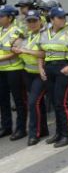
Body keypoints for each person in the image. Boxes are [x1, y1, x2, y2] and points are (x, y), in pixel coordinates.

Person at [39, 7, 68, 148]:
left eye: (64, 17)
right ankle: (58, 133)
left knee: (61, 103)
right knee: (54, 102)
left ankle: (67, 135)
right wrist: (41, 68)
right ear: (51, 20)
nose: (63, 19)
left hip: (64, 69)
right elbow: (41, 52)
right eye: (59, 17)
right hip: (49, 68)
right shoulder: (44, 33)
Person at [12, 9, 49, 145]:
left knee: (33, 102)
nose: (32, 24)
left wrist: (24, 50)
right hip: (27, 72)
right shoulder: (27, 35)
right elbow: (15, 46)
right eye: (29, 21)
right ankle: (43, 128)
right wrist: (16, 47)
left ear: (40, 21)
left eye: (35, 21)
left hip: (41, 73)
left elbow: (43, 54)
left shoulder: (44, 34)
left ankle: (34, 134)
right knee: (39, 103)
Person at [0, 5, 27, 140]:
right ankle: (6, 127)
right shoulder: (0, 30)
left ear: (10, 17)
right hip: (1, 70)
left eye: (1, 16)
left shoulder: (17, 32)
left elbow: (15, 52)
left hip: (14, 70)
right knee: (3, 100)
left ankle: (21, 129)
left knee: (18, 100)